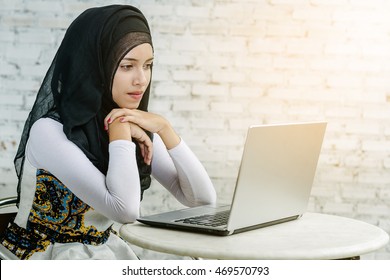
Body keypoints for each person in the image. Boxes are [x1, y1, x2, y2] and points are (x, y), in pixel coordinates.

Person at [0, 4, 216, 260]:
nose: (141, 79)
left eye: (148, 65)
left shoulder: (129, 122)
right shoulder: (49, 131)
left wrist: (165, 129)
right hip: (48, 254)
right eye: (127, 66)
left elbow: (201, 199)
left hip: (105, 248)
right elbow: (125, 210)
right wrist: (120, 130)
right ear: (94, 66)